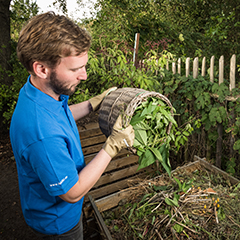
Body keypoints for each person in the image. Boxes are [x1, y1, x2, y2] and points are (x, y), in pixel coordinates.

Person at [9, 11, 134, 239]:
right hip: (58, 224)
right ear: (42, 69)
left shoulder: (37, 93)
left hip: (55, 210)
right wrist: (112, 147)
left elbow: (58, 116)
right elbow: (72, 192)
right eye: (76, 69)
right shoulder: (41, 134)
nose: (84, 76)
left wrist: (92, 104)